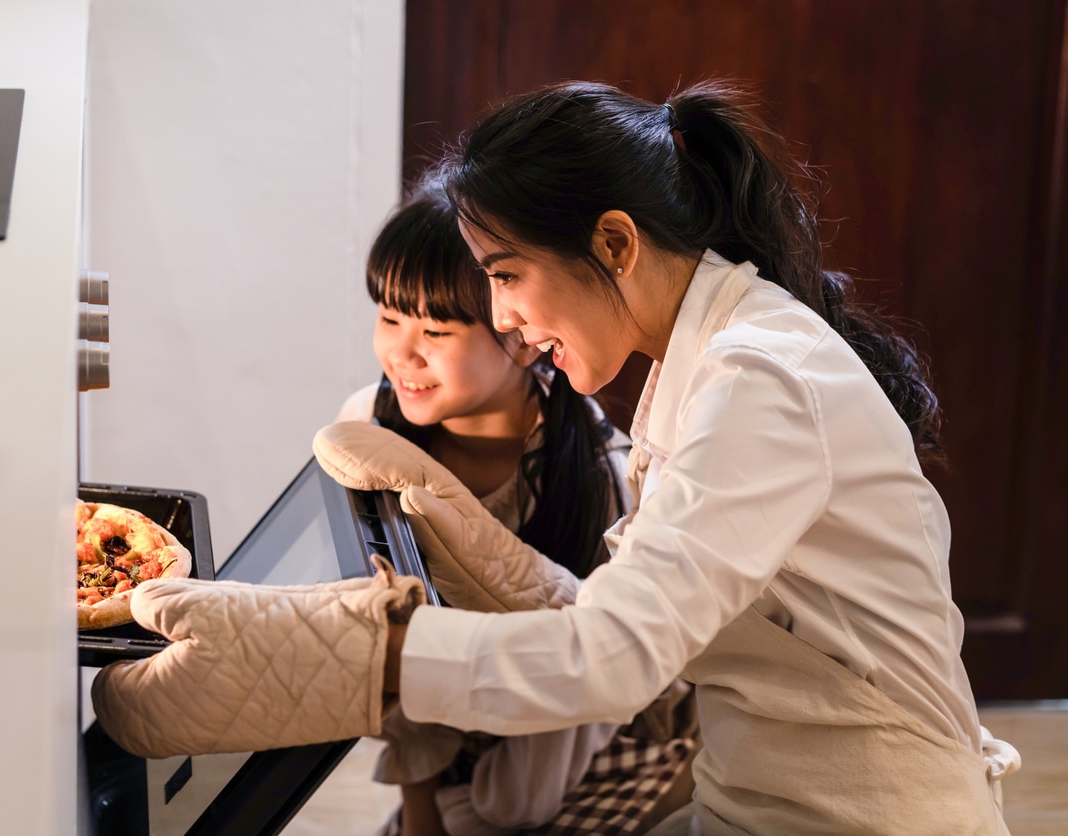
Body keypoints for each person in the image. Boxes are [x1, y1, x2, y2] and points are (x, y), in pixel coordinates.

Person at [92, 78, 1020, 834]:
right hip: (751, 800)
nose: (503, 320)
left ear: (614, 243)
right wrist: (465, 536)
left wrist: (357, 656)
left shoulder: (758, 383)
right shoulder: (704, 362)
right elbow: (638, 620)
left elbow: (612, 661)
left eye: (504, 276)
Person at [336, 181, 696, 834]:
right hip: (463, 711)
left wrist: (503, 808)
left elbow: (595, 676)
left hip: (596, 725)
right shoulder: (371, 429)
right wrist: (421, 810)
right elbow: (390, 634)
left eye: (437, 328)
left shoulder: (597, 472)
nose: (402, 354)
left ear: (522, 335)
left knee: (506, 810)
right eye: (389, 318)